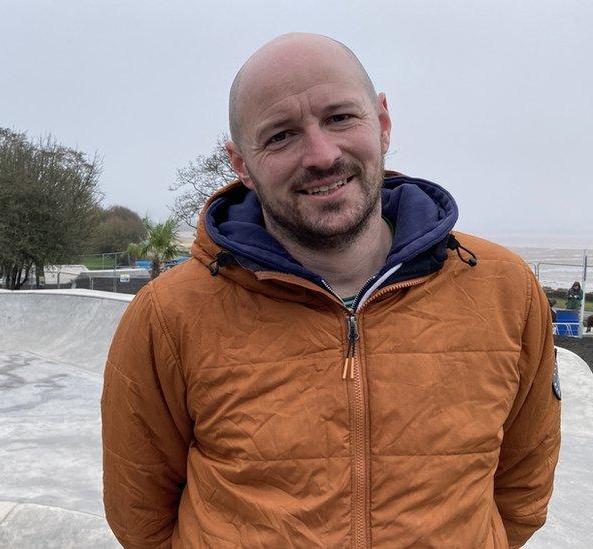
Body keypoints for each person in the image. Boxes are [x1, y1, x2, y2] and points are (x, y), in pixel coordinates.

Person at [101, 33, 560, 548]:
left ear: (382, 122)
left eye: (341, 118)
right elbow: (140, 516)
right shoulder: (167, 315)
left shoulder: (504, 288)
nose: (320, 155)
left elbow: (522, 490)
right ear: (240, 164)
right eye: (280, 135)